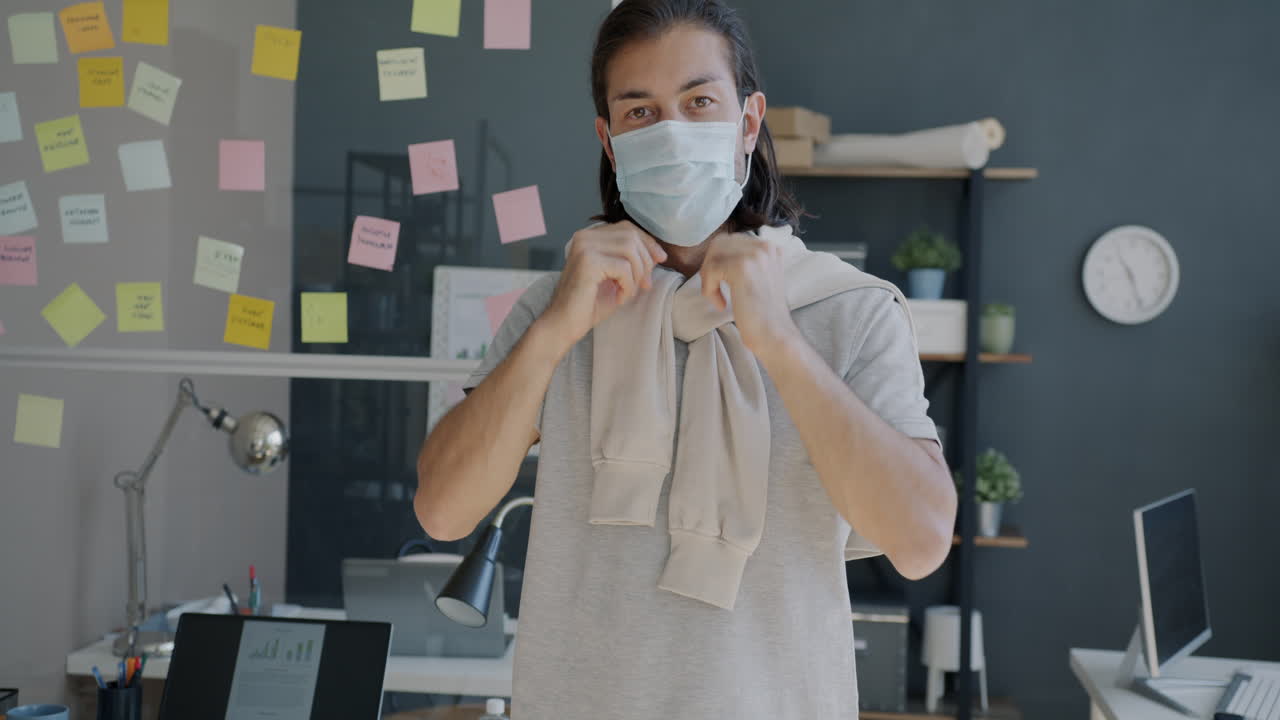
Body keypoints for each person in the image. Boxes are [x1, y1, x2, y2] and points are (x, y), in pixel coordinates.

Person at [415, 0, 957, 716]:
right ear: (610, 142)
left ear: (748, 122)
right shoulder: (560, 305)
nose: (671, 132)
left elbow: (921, 542)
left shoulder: (851, 309)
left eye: (700, 102)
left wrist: (778, 339)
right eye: (640, 112)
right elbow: (443, 511)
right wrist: (554, 332)